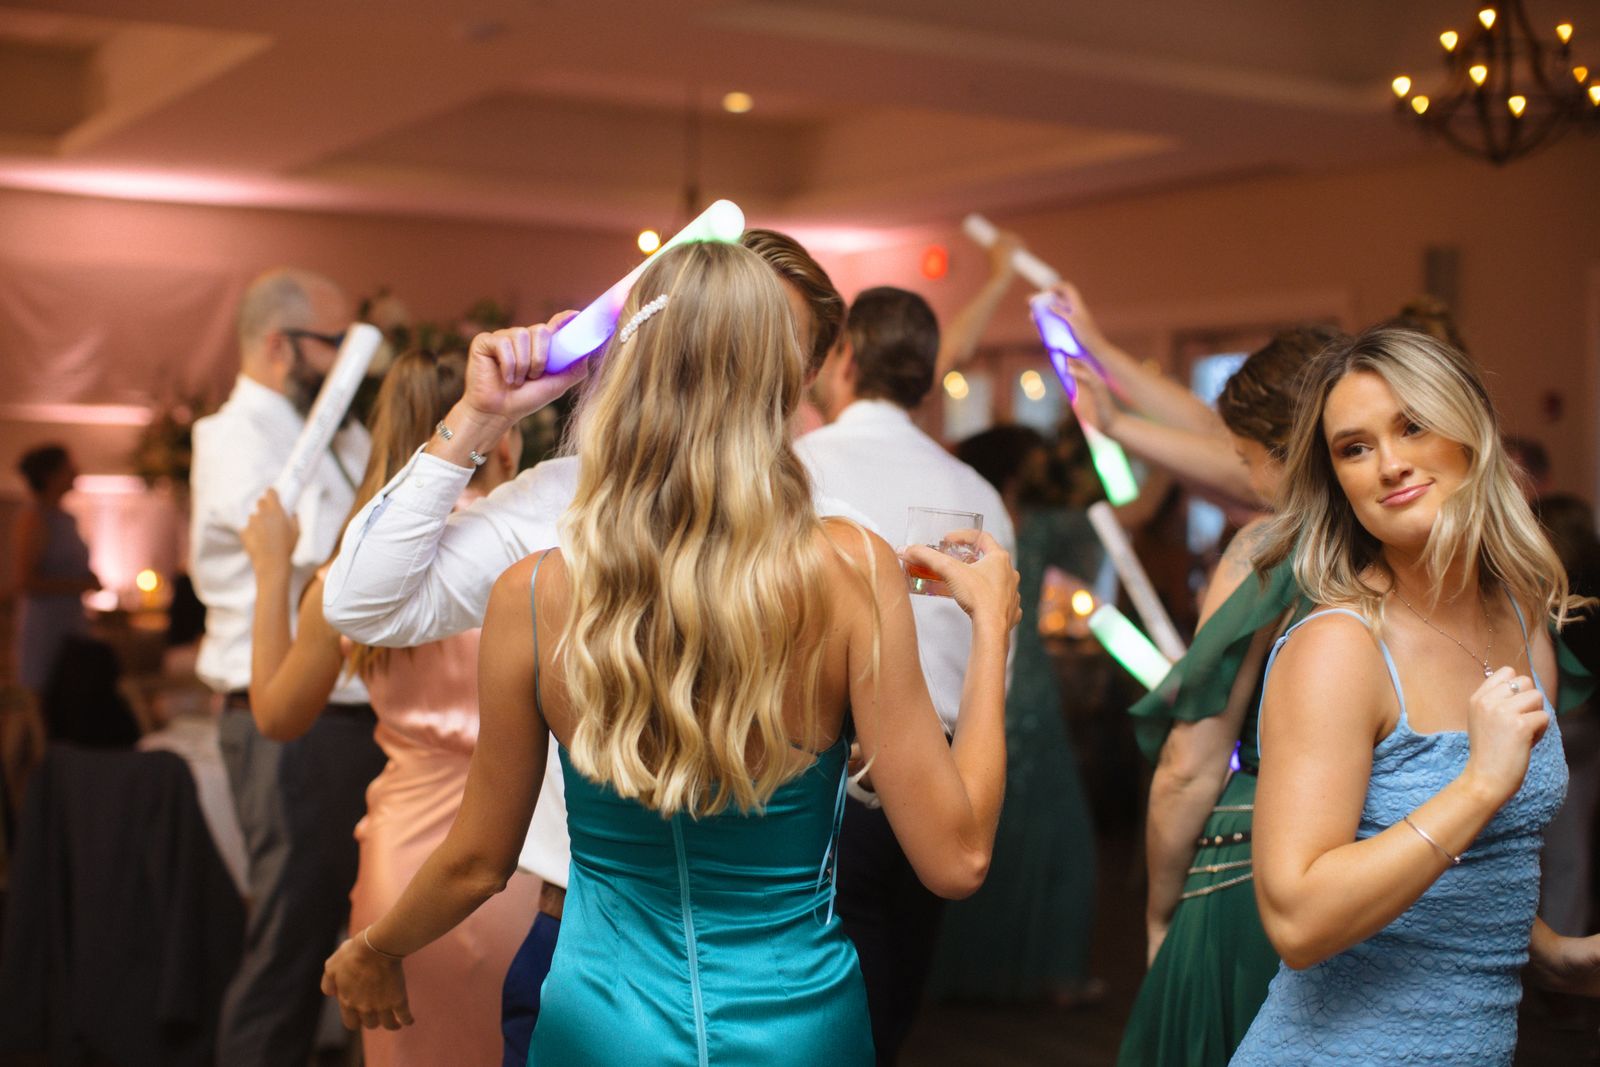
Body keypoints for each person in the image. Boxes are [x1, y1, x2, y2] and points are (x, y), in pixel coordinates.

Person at [320, 240, 1019, 1064]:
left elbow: (476, 862)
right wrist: (991, 628)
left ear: (628, 372)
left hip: (601, 1026)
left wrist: (376, 946)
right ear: (781, 386)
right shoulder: (851, 567)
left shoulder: (532, 593)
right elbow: (958, 859)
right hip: (795, 1028)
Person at [1230, 326, 1600, 1065]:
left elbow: (1480, 867)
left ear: (1471, 434)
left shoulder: (1522, 615)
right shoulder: (1339, 648)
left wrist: (1555, 953)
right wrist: (1478, 787)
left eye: (1413, 426)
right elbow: (1298, 922)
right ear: (1337, 482)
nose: (1390, 463)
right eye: (1354, 448)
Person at [240, 348, 537, 1067]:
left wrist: (273, 571)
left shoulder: (357, 573)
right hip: (521, 847)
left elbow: (278, 715)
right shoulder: (538, 555)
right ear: (504, 441)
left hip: (402, 866)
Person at [1110, 324, 1343, 1066]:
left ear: (1283, 452)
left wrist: (1158, 911)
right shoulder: (1422, 548)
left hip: (1253, 863)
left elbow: (1190, 762)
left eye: (1246, 461)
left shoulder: (1265, 548)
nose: (1244, 482)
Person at [798, 284, 1014, 1062]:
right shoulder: (978, 492)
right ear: (925, 380)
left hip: (833, 773)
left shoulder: (799, 469)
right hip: (951, 768)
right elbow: (999, 660)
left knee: (828, 994)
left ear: (846, 358)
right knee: (894, 991)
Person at [190, 266, 384, 1067]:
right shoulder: (234, 435)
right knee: (289, 947)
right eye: (335, 343)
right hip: (285, 718)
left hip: (347, 713)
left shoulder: (332, 429)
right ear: (280, 345)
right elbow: (306, 552)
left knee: (352, 939)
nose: (350, 364)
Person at [927, 423, 1103, 1005]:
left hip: (980, 680)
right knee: (1056, 834)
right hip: (1018, 680)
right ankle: (1052, 974)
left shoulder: (967, 520)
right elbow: (1117, 522)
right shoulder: (1032, 523)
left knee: (982, 820)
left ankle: (974, 973)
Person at [11, 445, 99, 695]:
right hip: (46, 623)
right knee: (43, 693)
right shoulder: (34, 518)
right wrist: (80, 586)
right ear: (50, 475)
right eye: (68, 468)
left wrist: (87, 578)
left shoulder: (67, 518)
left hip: (71, 619)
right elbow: (26, 581)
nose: (76, 472)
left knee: (72, 691)